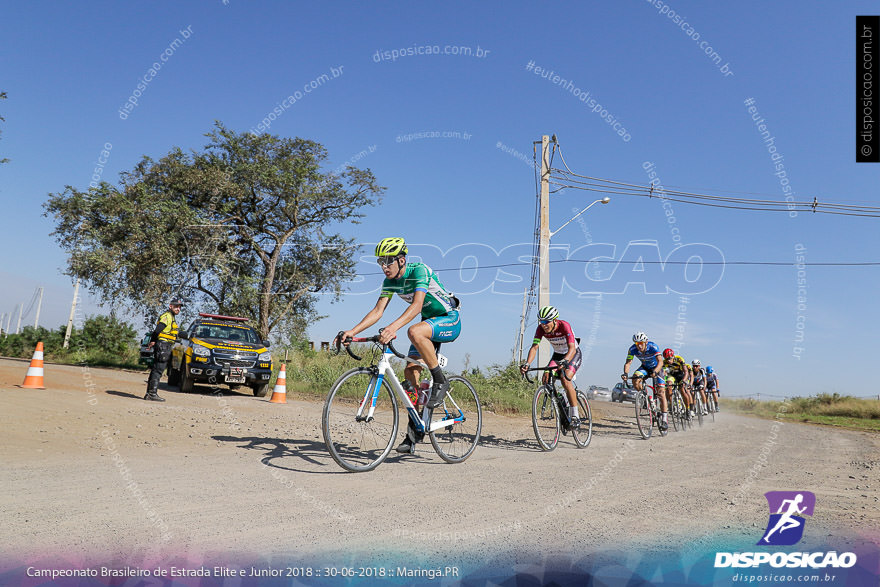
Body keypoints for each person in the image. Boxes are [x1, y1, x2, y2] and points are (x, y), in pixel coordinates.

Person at [336, 237, 461, 455]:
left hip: (448, 318)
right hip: (427, 325)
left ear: (401, 260)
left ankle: (441, 381)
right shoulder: (389, 282)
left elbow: (417, 305)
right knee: (410, 372)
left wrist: (393, 328)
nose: (384, 267)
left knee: (413, 331)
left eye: (388, 261)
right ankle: (415, 432)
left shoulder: (418, 271)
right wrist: (352, 332)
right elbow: (377, 312)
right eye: (380, 262)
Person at [519, 306, 583, 429]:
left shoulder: (564, 325)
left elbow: (572, 348)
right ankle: (561, 400)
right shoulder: (540, 329)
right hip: (558, 355)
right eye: (541, 321)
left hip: (572, 353)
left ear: (554, 320)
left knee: (565, 378)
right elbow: (534, 347)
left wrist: (565, 361)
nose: (543, 325)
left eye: (546, 321)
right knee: (546, 377)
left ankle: (575, 416)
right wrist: (527, 364)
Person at [622, 332, 668, 431]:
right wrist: (625, 374)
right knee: (635, 379)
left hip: (657, 368)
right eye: (637, 343)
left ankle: (664, 419)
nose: (639, 346)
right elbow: (628, 363)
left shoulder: (653, 347)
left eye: (641, 343)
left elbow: (661, 361)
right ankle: (645, 398)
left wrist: (655, 371)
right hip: (645, 368)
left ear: (646, 342)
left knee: (661, 393)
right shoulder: (632, 349)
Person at [145, 298, 184, 401]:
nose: (178, 309)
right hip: (163, 345)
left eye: (179, 307)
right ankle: (151, 394)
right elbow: (156, 331)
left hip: (165, 345)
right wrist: (153, 340)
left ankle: (150, 393)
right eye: (176, 307)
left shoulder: (171, 317)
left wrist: (154, 341)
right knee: (158, 370)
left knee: (157, 369)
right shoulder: (167, 316)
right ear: (170, 306)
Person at [662, 348, 694, 417]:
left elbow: (686, 372)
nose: (668, 361)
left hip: (681, 375)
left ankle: (688, 409)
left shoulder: (679, 359)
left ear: (673, 356)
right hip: (672, 376)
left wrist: (684, 381)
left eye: (669, 359)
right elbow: (662, 373)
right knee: (668, 384)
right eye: (666, 359)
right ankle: (672, 405)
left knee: (682, 390)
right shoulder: (664, 362)